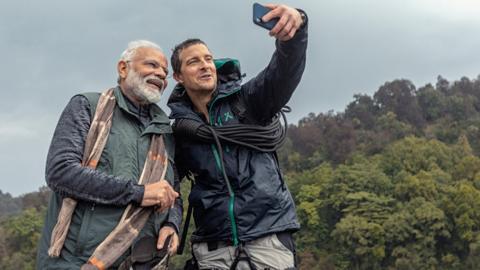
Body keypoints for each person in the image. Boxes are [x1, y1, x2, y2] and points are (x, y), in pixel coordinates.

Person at [167, 4, 308, 269]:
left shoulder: (248, 101)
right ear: (178, 76)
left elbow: (283, 74)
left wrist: (296, 31)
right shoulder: (179, 130)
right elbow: (168, 182)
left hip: (268, 237)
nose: (205, 65)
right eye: (194, 61)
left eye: (208, 59)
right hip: (213, 245)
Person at [36, 40, 182, 269]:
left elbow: (172, 190)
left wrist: (172, 224)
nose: (160, 75)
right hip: (76, 261)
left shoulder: (165, 131)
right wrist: (137, 193)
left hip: (142, 261)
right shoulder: (87, 107)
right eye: (152, 65)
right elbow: (60, 171)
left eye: (165, 73)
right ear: (123, 68)